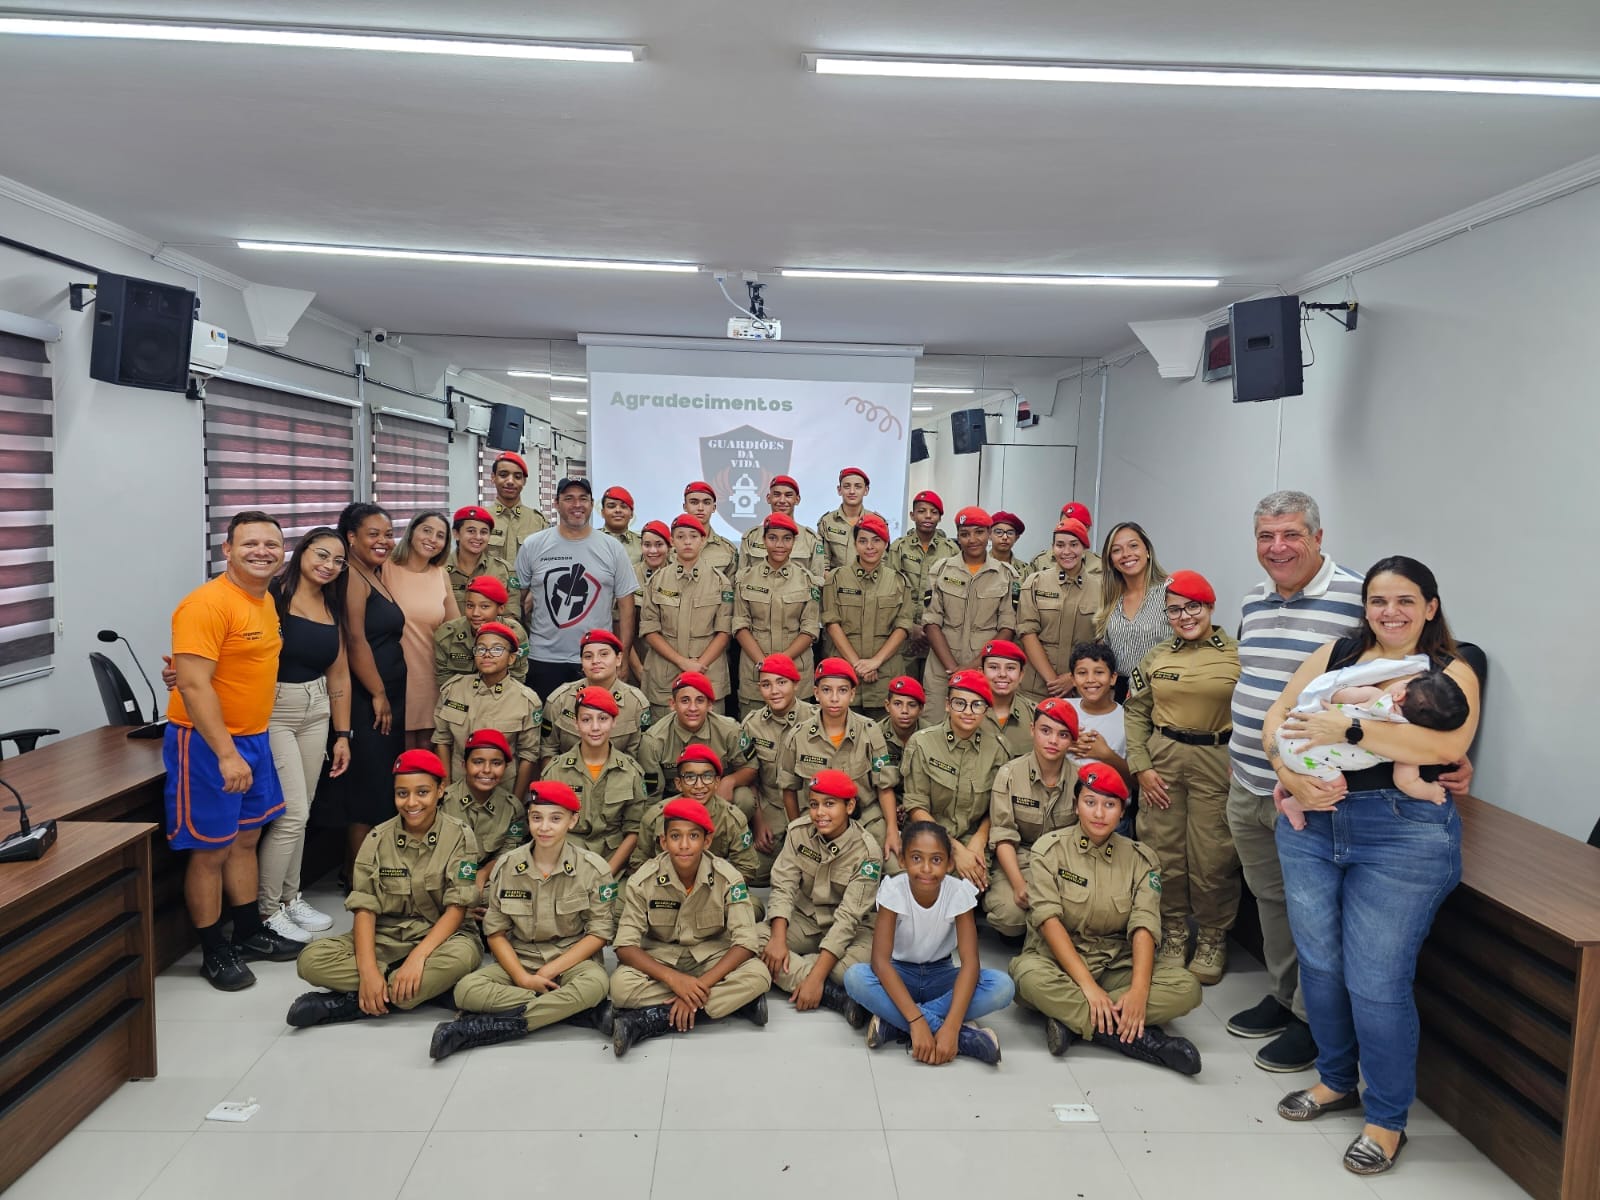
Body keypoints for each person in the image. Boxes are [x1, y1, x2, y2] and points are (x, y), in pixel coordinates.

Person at [1265, 556, 1480, 1176]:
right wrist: (1288, 777)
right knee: (1321, 966)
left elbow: (1445, 744)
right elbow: (1277, 718)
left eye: (1405, 600)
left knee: (1377, 980)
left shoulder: (1450, 670)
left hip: (1400, 834)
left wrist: (1349, 728)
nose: (1390, 612)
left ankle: (1386, 1119)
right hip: (1312, 822)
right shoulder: (1338, 655)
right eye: (1378, 600)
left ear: (1430, 607)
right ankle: (1337, 1080)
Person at [1226, 491, 1410, 1073]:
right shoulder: (1254, 600)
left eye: (1291, 534)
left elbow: (1396, 681)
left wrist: (1437, 755)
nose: (1277, 547)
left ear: (1318, 537)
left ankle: (1314, 1020)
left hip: (1312, 789)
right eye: (1266, 536)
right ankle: (1285, 997)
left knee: (1315, 910)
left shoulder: (1356, 600)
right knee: (1270, 900)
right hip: (1249, 777)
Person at [165, 510, 301, 990]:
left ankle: (247, 932)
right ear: (227, 549)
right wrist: (225, 753)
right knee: (211, 849)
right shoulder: (206, 604)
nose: (262, 552)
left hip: (254, 736)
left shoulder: (264, 600)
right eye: (250, 543)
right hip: (208, 743)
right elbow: (193, 686)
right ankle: (213, 950)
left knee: (245, 839)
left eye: (271, 544)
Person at [1009, 764, 1203, 1073]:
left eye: (1110, 805)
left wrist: (1138, 992)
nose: (1099, 813)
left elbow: (1144, 925)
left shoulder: (1142, 860)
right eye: (1090, 802)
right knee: (1028, 977)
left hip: (1116, 965)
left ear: (1122, 812)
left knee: (1186, 988)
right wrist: (1088, 987)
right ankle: (1143, 1041)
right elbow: (1048, 921)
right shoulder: (1049, 850)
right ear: (1076, 806)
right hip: (1057, 963)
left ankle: (1073, 1022)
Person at [288, 749, 482, 1026]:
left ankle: (353, 1003)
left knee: (461, 957)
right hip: (388, 935)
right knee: (310, 960)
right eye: (402, 793)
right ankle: (414, 991)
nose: (411, 802)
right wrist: (368, 971)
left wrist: (417, 958)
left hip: (444, 938)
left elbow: (457, 908)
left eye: (422, 792)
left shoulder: (460, 836)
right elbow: (364, 909)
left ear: (440, 790)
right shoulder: (377, 838)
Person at [429, 780, 619, 1059]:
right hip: (521, 957)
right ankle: (576, 1012)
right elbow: (495, 933)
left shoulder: (593, 868)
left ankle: (485, 1028)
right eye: (536, 817)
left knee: (597, 983)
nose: (544, 827)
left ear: (573, 820)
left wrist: (548, 971)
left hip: (571, 962)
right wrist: (522, 978)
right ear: (528, 818)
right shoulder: (507, 866)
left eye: (556, 819)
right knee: (466, 991)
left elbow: (599, 933)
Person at [1124, 570, 1242, 985]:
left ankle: (1211, 937)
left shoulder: (1237, 655)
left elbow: (1258, 711)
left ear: (1210, 606)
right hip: (1164, 761)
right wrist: (1141, 765)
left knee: (1214, 855)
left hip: (1217, 760)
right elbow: (1136, 710)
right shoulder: (1156, 656)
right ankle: (1173, 931)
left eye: (1193, 607)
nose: (1184, 616)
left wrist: (1245, 759)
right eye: (1174, 610)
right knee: (1164, 849)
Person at [609, 796, 772, 1056]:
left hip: (710, 956)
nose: (684, 845)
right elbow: (625, 947)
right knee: (620, 987)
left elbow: (745, 942)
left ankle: (653, 1019)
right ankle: (736, 1005)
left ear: (707, 841)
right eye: (675, 836)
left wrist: (699, 985)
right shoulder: (643, 880)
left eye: (693, 836)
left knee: (759, 975)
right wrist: (675, 980)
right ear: (663, 841)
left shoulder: (728, 877)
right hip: (662, 957)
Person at [843, 820, 1013, 1065]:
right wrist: (917, 1022)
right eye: (916, 858)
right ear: (902, 861)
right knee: (855, 978)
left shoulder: (958, 893)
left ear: (950, 864)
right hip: (899, 974)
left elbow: (970, 965)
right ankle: (961, 1037)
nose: (926, 868)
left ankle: (895, 1024)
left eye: (936, 860)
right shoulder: (893, 891)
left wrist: (951, 1026)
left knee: (1002, 987)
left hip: (941, 975)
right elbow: (880, 963)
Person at [258, 526, 352, 944]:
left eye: (338, 560)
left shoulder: (331, 602)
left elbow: (339, 672)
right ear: (301, 551)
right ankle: (267, 910)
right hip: (276, 709)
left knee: (304, 809)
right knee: (291, 813)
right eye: (322, 555)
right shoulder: (272, 596)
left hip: (317, 708)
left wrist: (342, 733)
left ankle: (290, 897)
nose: (329, 565)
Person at [321, 502, 407, 877]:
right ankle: (357, 878)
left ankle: (370, 871)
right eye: (373, 534)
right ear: (351, 537)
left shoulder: (373, 572)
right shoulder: (352, 577)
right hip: (366, 698)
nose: (383, 541)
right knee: (367, 792)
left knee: (380, 784)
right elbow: (355, 640)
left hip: (387, 694)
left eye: (388, 534)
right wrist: (377, 693)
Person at [1274, 660, 1469, 825]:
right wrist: (1431, 792)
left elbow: (1339, 695)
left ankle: (1293, 779)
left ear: (1400, 694)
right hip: (1307, 754)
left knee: (1322, 772)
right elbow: (1406, 782)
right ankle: (1294, 805)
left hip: (1292, 730)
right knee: (1337, 787)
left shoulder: (1375, 696)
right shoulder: (1408, 747)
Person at [759, 769, 882, 1020]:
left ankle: (802, 972)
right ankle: (831, 994)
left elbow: (848, 919)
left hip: (852, 931)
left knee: (849, 972)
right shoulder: (798, 832)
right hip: (805, 919)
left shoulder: (868, 852)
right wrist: (778, 940)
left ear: (849, 806)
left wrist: (815, 977)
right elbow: (783, 887)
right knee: (752, 942)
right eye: (814, 804)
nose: (819, 813)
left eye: (829, 804)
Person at [515, 477, 638, 700]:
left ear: (591, 504)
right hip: (544, 659)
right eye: (569, 498)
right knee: (546, 721)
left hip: (597, 660)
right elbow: (517, 602)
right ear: (556, 503)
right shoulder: (533, 545)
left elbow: (626, 606)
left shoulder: (612, 548)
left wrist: (624, 657)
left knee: (596, 720)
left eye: (583, 498)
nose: (577, 505)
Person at [776, 658, 901, 865]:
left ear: (852, 694)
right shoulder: (798, 736)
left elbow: (885, 786)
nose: (834, 698)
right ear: (816, 693)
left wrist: (892, 830)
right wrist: (797, 831)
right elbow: (788, 789)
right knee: (800, 873)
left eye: (842, 690)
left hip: (864, 818)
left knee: (895, 866)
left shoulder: (870, 731)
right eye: (827, 690)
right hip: (818, 821)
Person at [900, 670, 1011, 889]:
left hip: (972, 838)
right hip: (927, 833)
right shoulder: (922, 743)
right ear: (947, 705)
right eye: (960, 703)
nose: (968, 712)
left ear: (986, 710)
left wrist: (979, 840)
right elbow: (916, 806)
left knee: (966, 887)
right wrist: (953, 848)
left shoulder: (998, 749)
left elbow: (997, 807)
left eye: (977, 705)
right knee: (920, 884)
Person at [983, 698, 1081, 939]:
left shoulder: (1080, 781)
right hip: (1020, 859)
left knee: (1077, 913)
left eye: (1063, 735)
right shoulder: (1010, 774)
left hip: (1063, 864)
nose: (1053, 741)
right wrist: (1019, 885)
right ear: (1032, 730)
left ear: (1072, 740)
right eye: (1045, 731)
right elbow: (1003, 836)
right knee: (1010, 917)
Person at [539, 685, 649, 879]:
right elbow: (546, 828)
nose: (595, 727)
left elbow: (634, 830)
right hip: (565, 860)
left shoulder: (631, 772)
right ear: (576, 723)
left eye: (603, 719)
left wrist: (607, 872)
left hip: (613, 862)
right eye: (586, 720)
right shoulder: (555, 771)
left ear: (614, 721)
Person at [921, 507, 1018, 714]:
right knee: (934, 723)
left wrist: (972, 667)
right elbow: (931, 622)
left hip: (986, 669)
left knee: (981, 723)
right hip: (941, 669)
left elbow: (1008, 627)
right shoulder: (941, 570)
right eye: (965, 534)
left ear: (989, 533)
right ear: (958, 536)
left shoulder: (1006, 575)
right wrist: (953, 669)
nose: (972, 539)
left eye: (979, 532)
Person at [638, 514, 733, 718]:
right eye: (681, 537)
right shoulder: (657, 581)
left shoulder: (720, 582)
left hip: (708, 671)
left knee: (711, 733)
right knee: (663, 733)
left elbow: (724, 632)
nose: (687, 542)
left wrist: (697, 667)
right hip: (665, 674)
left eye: (693, 536)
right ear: (672, 541)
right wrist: (683, 663)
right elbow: (649, 629)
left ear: (703, 540)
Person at [821, 513, 916, 717]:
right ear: (855, 544)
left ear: (886, 543)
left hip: (885, 674)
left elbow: (903, 627)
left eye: (876, 540)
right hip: (845, 674)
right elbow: (832, 624)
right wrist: (858, 664)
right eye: (863, 541)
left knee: (882, 732)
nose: (870, 547)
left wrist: (875, 662)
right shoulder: (837, 579)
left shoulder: (899, 582)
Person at [431, 622, 542, 795]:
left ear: (511, 658)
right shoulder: (454, 690)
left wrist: (516, 801)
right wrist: (446, 790)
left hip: (503, 791)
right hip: (457, 788)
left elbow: (529, 755)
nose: (487, 654)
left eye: (497, 649)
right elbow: (442, 740)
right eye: (481, 649)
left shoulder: (526, 700)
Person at [731, 512, 820, 717]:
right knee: (754, 729)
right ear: (763, 540)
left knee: (799, 731)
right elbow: (740, 624)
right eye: (772, 538)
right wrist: (764, 663)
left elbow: (809, 629)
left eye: (786, 539)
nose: (779, 545)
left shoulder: (807, 580)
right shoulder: (746, 578)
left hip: (796, 670)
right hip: (756, 669)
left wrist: (780, 665)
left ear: (794, 542)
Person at [632, 744, 761, 880]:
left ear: (717, 782)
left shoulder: (731, 818)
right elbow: (638, 862)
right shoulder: (656, 817)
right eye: (690, 777)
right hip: (665, 886)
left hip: (715, 885)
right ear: (678, 783)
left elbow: (747, 868)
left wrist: (717, 888)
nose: (699, 785)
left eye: (707, 776)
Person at [388, 509, 461, 750]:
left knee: (428, 748)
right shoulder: (385, 567)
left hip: (430, 674)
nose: (432, 539)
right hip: (394, 674)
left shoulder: (440, 575)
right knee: (401, 748)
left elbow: (455, 628)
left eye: (440, 536)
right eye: (426, 531)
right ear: (411, 532)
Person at [635, 671, 758, 814]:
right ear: (672, 704)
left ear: (710, 704)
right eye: (685, 701)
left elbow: (751, 767)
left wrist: (729, 781)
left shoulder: (730, 730)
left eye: (700, 700)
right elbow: (652, 796)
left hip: (717, 795)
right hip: (676, 801)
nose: (692, 708)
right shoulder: (654, 740)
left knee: (745, 799)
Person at [740, 653, 816, 884]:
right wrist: (758, 822)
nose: (774, 691)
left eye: (781, 682)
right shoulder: (752, 724)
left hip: (808, 809)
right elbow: (749, 776)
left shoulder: (816, 720)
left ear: (796, 684)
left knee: (811, 872)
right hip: (771, 808)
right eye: (766, 685)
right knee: (753, 872)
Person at [1018, 518, 1100, 702]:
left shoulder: (1100, 589)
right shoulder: (1036, 582)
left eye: (1074, 544)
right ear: (1052, 548)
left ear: (1084, 547)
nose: (1066, 551)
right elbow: (1027, 633)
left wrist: (1073, 678)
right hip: (1037, 688)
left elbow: (1101, 641)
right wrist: (1054, 682)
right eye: (1060, 545)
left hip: (1082, 688)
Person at [542, 628, 652, 759]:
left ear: (618, 659)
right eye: (588, 656)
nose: (595, 661)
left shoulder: (636, 703)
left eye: (603, 654)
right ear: (581, 662)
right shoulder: (560, 699)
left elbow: (640, 756)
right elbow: (548, 751)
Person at [887, 489, 957, 682]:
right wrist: (911, 627)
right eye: (921, 511)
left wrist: (931, 630)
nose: (927, 516)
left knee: (933, 689)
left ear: (940, 517)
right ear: (912, 515)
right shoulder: (899, 547)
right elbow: (891, 591)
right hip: (904, 634)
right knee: (904, 689)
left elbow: (953, 595)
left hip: (938, 637)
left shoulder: (951, 550)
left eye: (933, 512)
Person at [439, 728, 527, 882]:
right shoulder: (442, 803)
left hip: (490, 880)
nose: (487, 770)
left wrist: (485, 873)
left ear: (505, 767)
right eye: (478, 762)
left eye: (496, 763)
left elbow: (509, 852)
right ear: (464, 765)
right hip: (446, 878)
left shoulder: (512, 809)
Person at [1095, 521, 1170, 690]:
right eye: (1116, 550)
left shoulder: (1170, 593)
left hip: (1162, 690)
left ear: (1147, 551)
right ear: (1111, 560)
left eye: (1133, 546)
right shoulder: (1110, 600)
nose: (1126, 554)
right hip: (1120, 692)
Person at [433, 574, 530, 687]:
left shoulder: (515, 634)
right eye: (470, 606)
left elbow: (517, 677)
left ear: (500, 609)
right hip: (460, 694)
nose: (475, 613)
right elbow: (444, 679)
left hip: (502, 694)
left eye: (484, 607)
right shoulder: (447, 635)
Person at [1066, 642, 1131, 782]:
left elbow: (1138, 782)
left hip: (1107, 794)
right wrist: (1064, 742)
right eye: (1082, 673)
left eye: (1099, 672)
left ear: (1113, 678)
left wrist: (1106, 755)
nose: (1090, 680)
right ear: (1073, 679)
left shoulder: (1128, 720)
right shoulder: (1063, 709)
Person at [739, 474, 827, 570]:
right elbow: (742, 575)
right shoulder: (751, 537)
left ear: (797, 500)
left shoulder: (811, 539)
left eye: (788, 495)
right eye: (777, 495)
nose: (782, 500)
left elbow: (817, 577)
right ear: (768, 498)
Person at [445, 504, 518, 614]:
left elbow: (511, 614)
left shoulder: (503, 570)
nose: (478, 537)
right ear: (456, 534)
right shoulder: (440, 569)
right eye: (471, 531)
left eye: (484, 532)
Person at [484, 450, 549, 564]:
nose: (510, 481)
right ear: (493, 477)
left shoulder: (538, 522)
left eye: (517, 477)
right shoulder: (481, 519)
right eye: (503, 475)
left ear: (524, 481)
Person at [628, 519, 673, 682]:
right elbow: (620, 626)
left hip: (672, 664)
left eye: (659, 544)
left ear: (669, 546)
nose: (653, 550)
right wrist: (637, 668)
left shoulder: (678, 576)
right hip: (638, 660)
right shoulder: (629, 575)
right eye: (647, 545)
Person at [979, 638, 1037, 759]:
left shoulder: (1035, 715)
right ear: (981, 672)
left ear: (1021, 675)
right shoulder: (966, 712)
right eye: (993, 667)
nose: (1002, 674)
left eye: (1010, 668)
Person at [817, 466, 874, 571]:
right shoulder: (827, 522)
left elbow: (883, 562)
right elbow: (822, 563)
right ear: (839, 490)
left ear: (866, 490)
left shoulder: (876, 522)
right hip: (836, 580)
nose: (852, 491)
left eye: (858, 487)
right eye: (847, 486)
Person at [679, 480, 739, 578]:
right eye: (694, 502)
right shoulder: (670, 547)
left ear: (714, 508)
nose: (700, 508)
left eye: (706, 503)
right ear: (685, 507)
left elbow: (731, 586)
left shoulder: (728, 550)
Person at [1028, 502, 1103, 579]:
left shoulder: (1099, 565)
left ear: (1087, 529)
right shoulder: (1040, 561)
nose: (1069, 528)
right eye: (1065, 523)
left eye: (1076, 526)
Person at [599, 485, 643, 569]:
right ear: (602, 512)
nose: (618, 510)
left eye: (623, 506)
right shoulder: (590, 540)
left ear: (631, 514)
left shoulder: (642, 544)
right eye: (611, 506)